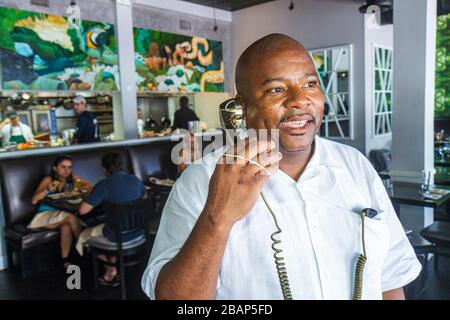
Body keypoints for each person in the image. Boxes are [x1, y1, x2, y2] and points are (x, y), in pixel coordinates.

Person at [141, 34, 421, 300]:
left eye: (310, 84)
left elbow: (391, 279)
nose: (300, 100)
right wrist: (218, 217)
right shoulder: (200, 180)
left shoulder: (356, 165)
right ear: (240, 108)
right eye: (276, 89)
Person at [76, 152, 146, 286]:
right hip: (140, 234)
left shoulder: (104, 185)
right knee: (112, 225)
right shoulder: (135, 180)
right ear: (121, 165)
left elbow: (82, 210)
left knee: (82, 235)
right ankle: (112, 264)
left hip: (118, 237)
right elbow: (144, 196)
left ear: (104, 169)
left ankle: (110, 269)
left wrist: (90, 195)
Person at [30, 155, 93, 269]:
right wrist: (47, 190)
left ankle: (64, 261)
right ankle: (87, 248)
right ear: (55, 168)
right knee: (71, 218)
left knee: (66, 227)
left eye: (69, 167)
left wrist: (78, 181)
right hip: (45, 216)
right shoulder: (48, 180)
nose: (66, 171)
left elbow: (90, 187)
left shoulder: (71, 179)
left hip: (62, 213)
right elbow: (34, 200)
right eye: (63, 167)